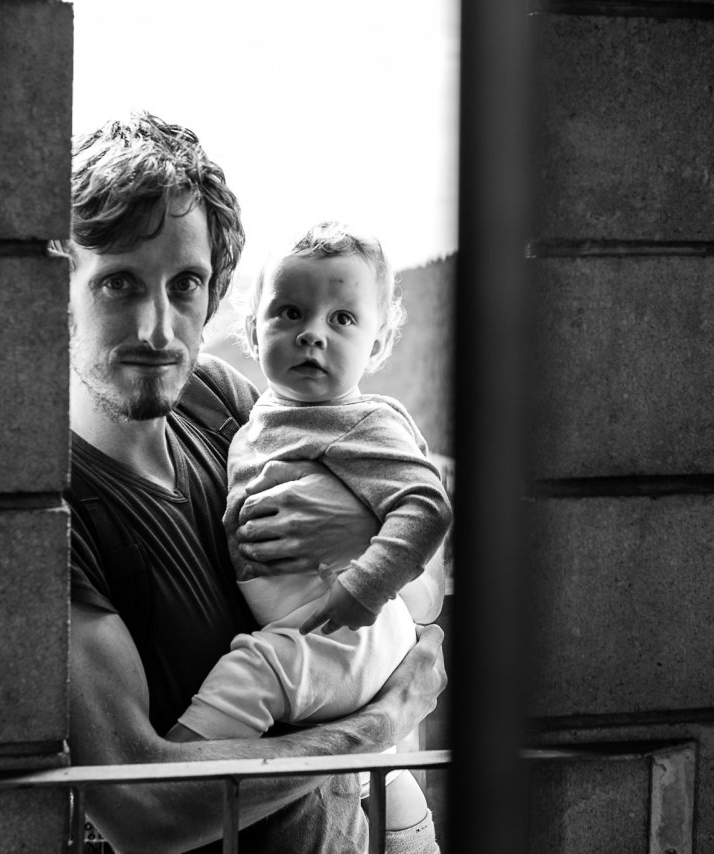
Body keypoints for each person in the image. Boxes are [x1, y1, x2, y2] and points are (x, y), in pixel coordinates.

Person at [58, 112, 446, 854]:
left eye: (186, 284)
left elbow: (420, 594)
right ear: (59, 289)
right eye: (117, 283)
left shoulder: (222, 404)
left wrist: (364, 539)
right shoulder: (52, 511)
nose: (158, 329)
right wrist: (378, 725)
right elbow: (144, 810)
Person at [168, 222, 453, 851]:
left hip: (340, 625)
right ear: (252, 330)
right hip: (330, 624)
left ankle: (169, 771)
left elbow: (426, 506)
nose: (312, 333)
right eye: (290, 312)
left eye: (342, 319)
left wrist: (363, 587)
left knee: (255, 669)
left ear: (378, 344)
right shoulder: (261, 413)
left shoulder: (358, 421)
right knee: (386, 779)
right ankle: (406, 828)